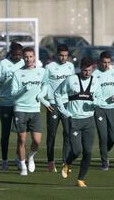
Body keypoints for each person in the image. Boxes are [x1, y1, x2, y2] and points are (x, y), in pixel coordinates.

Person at [55, 57, 102, 187]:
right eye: (84, 70)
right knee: (76, 151)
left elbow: (99, 97)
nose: (87, 73)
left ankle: (80, 179)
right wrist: (64, 111)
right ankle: (67, 163)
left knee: (88, 152)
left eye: (89, 70)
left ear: (92, 69)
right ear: (80, 68)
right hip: (74, 120)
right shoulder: (71, 80)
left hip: (89, 121)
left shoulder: (95, 82)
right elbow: (57, 93)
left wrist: (96, 103)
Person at [37, 44, 75, 172]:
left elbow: (73, 84)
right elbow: (44, 84)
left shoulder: (70, 66)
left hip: (66, 104)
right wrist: (45, 101)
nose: (63, 58)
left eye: (66, 56)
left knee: (68, 133)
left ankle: (66, 163)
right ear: (56, 54)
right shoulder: (49, 67)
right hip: (53, 105)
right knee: (52, 134)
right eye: (61, 55)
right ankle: (50, 161)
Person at [11, 47, 45, 176]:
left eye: (30, 56)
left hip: (35, 110)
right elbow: (13, 94)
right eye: (26, 57)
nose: (28, 59)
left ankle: (31, 157)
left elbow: (46, 85)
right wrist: (23, 90)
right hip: (20, 109)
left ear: (34, 57)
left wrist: (42, 95)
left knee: (37, 141)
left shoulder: (41, 72)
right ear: (23, 58)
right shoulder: (18, 73)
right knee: (22, 140)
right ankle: (23, 166)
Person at [0, 42, 24, 170]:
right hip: (5, 102)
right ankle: (4, 160)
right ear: (11, 53)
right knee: (5, 133)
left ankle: (18, 157)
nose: (18, 57)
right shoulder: (3, 63)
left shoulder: (23, 63)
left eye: (20, 55)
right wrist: (4, 76)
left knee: (21, 134)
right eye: (15, 55)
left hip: (19, 103)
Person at [92, 51, 114, 171]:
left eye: (108, 62)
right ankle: (104, 162)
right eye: (104, 62)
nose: (106, 65)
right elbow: (91, 91)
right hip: (99, 109)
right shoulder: (95, 74)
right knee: (103, 136)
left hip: (111, 108)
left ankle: (104, 151)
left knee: (113, 137)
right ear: (99, 62)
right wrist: (96, 102)